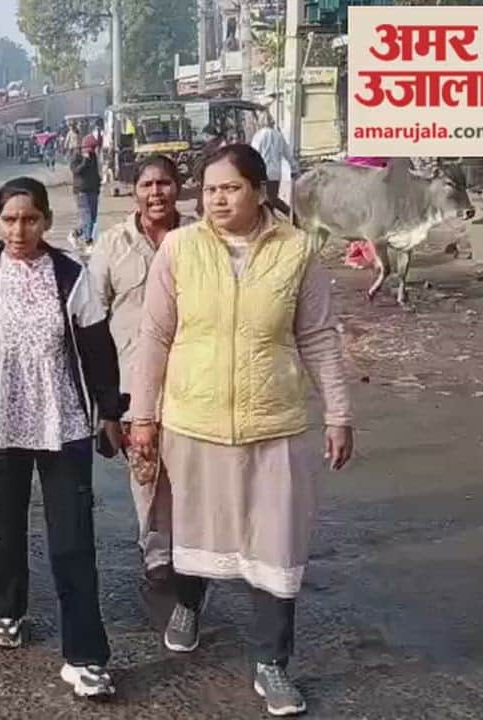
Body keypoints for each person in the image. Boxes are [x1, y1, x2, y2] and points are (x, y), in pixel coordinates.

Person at [128, 145, 353, 717]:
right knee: (194, 533)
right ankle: (188, 605)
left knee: (276, 545)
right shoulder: (180, 249)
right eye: (208, 190)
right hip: (194, 421)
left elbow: (320, 336)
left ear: (258, 190)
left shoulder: (298, 252)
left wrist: (339, 413)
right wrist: (143, 417)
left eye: (229, 188)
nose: (217, 199)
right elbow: (154, 337)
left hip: (273, 424)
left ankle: (272, 664)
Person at [0, 177, 124, 700]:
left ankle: (85, 656)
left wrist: (110, 410)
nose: (19, 230)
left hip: (63, 426)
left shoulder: (70, 275)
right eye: (9, 219)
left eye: (30, 219)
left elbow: (98, 347)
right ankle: (7, 610)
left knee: (73, 542)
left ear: (46, 222)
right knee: (4, 531)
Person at [86, 155, 194, 629]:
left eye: (165, 184)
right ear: (134, 192)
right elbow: (91, 324)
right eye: (148, 184)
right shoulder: (111, 246)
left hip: (196, 381)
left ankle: (192, 551)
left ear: (179, 188)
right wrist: (105, 407)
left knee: (192, 473)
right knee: (147, 473)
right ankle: (155, 557)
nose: (157, 193)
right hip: (134, 387)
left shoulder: (201, 239)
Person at [250, 112, 297, 216]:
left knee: (266, 199)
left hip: (262, 172)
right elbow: (288, 153)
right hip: (276, 173)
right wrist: (294, 168)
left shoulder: (258, 136)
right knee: (271, 198)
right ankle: (274, 219)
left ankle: (290, 214)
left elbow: (253, 155)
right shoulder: (278, 135)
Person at [70, 135, 102, 247]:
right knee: (87, 217)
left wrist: (98, 186)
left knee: (93, 218)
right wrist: (84, 161)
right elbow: (76, 171)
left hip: (93, 190)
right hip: (81, 191)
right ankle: (88, 241)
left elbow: (95, 172)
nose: (91, 152)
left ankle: (76, 233)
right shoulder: (76, 156)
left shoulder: (93, 156)